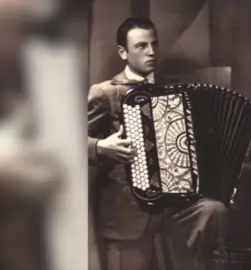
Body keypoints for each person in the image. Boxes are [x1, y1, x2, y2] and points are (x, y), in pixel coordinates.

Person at [88, 17, 229, 270]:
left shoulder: (174, 91)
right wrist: (99, 147)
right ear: (123, 52)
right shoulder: (105, 93)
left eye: (154, 44)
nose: (151, 52)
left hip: (174, 209)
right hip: (127, 214)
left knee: (213, 209)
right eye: (141, 46)